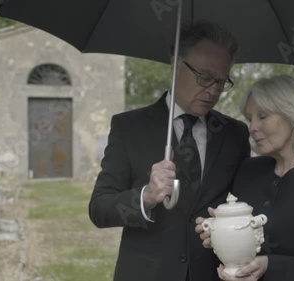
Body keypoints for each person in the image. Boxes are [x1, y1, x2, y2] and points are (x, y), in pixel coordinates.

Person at [89, 22, 250, 281]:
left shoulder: (235, 133)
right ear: (176, 65)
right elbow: (99, 209)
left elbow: (245, 203)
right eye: (205, 77)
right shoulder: (129, 127)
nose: (213, 91)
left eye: (222, 81)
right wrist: (146, 197)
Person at [195, 75, 294, 281]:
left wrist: (270, 266)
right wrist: (219, 234)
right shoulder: (248, 171)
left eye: (262, 116)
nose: (252, 127)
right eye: (249, 117)